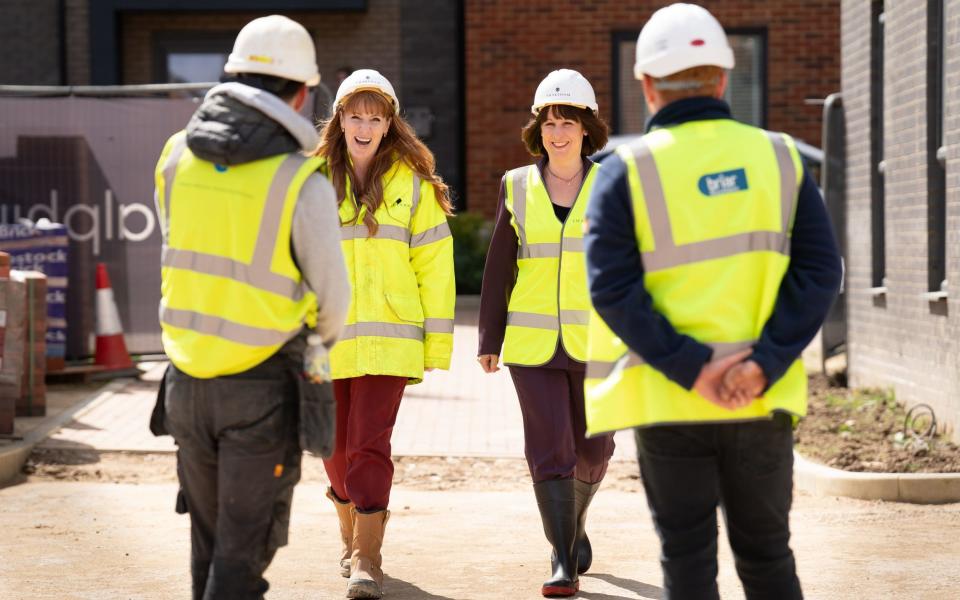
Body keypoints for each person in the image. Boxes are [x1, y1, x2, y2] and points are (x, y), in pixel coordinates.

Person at [583, 4, 843, 600]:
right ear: (723, 78)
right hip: (762, 398)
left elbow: (612, 289)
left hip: (670, 399)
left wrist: (694, 368)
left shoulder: (625, 173)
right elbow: (821, 271)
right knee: (768, 554)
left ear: (646, 84)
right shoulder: (781, 159)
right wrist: (762, 363)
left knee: (687, 558)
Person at [152, 15, 350, 600]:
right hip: (260, 386)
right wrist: (316, 344)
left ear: (231, 75)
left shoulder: (174, 157)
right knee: (241, 556)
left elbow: (177, 245)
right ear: (302, 92)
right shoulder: (300, 180)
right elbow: (333, 299)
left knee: (208, 547)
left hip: (183, 383)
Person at [311, 68, 455, 599]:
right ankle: (349, 538)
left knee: (369, 444)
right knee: (333, 447)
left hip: (390, 338)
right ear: (341, 120)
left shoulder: (413, 188)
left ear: (389, 122)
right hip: (326, 340)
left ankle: (366, 557)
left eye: (376, 117)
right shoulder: (313, 182)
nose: (365, 126)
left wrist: (436, 344)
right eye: (356, 116)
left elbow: (436, 270)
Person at [477, 69, 615, 598]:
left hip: (597, 341)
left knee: (595, 449)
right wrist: (489, 338)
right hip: (531, 345)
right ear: (539, 129)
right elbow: (498, 267)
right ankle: (562, 558)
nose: (558, 132)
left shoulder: (610, 187)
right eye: (549, 122)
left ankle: (575, 526)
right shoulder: (516, 185)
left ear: (586, 128)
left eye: (568, 121)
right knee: (549, 445)